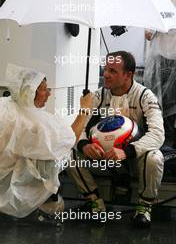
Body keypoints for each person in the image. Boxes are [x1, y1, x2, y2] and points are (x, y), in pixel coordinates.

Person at [68, 51, 165, 228]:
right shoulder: (96, 96)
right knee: (68, 153)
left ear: (128, 74)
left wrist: (127, 151)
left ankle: (144, 207)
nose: (105, 74)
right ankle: (95, 203)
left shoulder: (146, 96)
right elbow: (78, 129)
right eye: (105, 69)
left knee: (155, 157)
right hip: (102, 158)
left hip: (135, 161)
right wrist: (84, 145)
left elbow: (158, 134)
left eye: (112, 70)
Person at [0, 63, 92, 219]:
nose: (49, 94)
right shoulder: (30, 123)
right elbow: (69, 139)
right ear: (29, 93)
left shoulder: (5, 104)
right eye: (44, 89)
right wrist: (84, 109)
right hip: (6, 178)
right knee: (60, 155)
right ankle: (47, 203)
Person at [144, 0, 176, 152]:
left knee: (162, 101)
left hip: (163, 56)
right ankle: (167, 140)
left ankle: (165, 140)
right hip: (166, 56)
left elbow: (148, 34)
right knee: (168, 101)